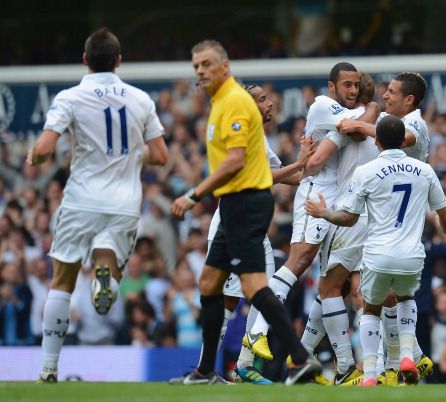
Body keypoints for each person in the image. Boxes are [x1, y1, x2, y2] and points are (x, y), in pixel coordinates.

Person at [169, 40, 320, 385]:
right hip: (235, 203)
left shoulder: (235, 101)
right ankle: (206, 371)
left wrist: (194, 194)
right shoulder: (222, 102)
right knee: (210, 284)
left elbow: (236, 161)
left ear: (225, 65)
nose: (201, 71)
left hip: (245, 203)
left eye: (207, 64)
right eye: (196, 66)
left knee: (253, 287)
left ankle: (299, 359)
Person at [28, 28, 168, 383]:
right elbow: (161, 156)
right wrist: (132, 151)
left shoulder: (71, 97)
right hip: (124, 201)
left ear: (85, 60)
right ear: (119, 61)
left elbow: (44, 150)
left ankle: (48, 369)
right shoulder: (140, 99)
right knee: (108, 260)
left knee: (62, 281)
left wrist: (34, 155)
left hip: (81, 199)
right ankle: (105, 272)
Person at [244, 62, 378, 378]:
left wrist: (303, 166)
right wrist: (371, 107)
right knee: (299, 262)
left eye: (356, 85)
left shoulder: (354, 116)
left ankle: (334, 363)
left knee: (330, 286)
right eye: (346, 84)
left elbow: (329, 149)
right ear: (331, 87)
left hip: (338, 205)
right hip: (316, 195)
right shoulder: (323, 106)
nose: (352, 90)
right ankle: (257, 333)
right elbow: (346, 132)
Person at [305, 115, 446, 386]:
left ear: (377, 140)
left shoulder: (366, 171)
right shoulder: (424, 169)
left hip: (376, 254)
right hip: (411, 254)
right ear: (403, 140)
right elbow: (445, 213)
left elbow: (348, 218)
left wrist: (323, 212)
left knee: (371, 310)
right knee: (406, 299)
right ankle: (407, 356)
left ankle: (371, 374)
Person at [338, 72, 434, 381]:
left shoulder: (416, 123)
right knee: (389, 296)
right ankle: (408, 358)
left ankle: (381, 368)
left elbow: (399, 137)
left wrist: (358, 125)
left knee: (378, 298)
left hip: (399, 223)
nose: (385, 96)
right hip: (389, 218)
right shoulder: (399, 121)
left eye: (392, 92)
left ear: (409, 99)